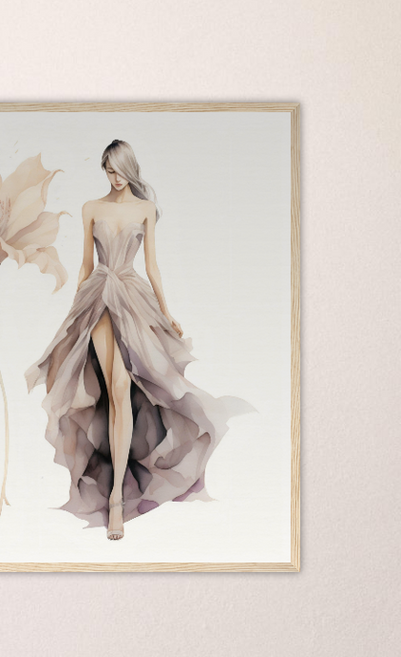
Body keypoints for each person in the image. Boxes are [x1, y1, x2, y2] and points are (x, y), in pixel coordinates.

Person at [24, 141, 245, 539]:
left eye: (119, 169)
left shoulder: (144, 210)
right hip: (98, 296)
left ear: (130, 168)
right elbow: (86, 266)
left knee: (126, 391)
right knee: (117, 386)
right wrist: (74, 315)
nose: (115, 177)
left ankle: (116, 499)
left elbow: (152, 266)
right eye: (108, 170)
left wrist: (167, 310)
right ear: (104, 171)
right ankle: (113, 502)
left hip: (132, 295)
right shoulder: (91, 208)